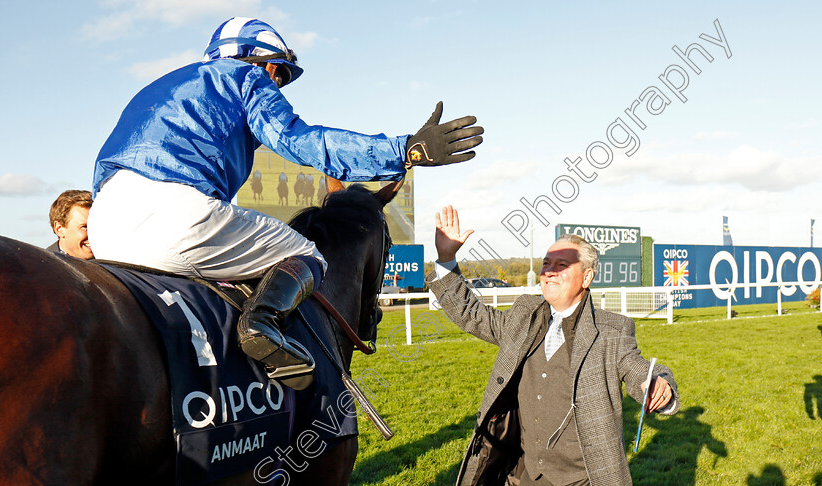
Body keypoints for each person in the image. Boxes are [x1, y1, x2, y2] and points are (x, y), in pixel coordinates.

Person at [88, 17, 483, 387]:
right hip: (176, 216)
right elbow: (301, 141)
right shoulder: (245, 77)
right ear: (266, 65)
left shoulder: (158, 87)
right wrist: (404, 149)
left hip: (104, 224)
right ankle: (261, 325)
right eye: (280, 75)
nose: (278, 86)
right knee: (308, 254)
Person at [428, 206, 679, 486]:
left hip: (583, 479)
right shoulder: (524, 315)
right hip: (522, 474)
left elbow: (639, 371)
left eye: (562, 266)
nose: (549, 272)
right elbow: (472, 315)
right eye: (547, 264)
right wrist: (447, 258)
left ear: (586, 277)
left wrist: (658, 385)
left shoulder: (612, 331)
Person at [47, 190, 94, 260]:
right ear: (59, 229)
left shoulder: (112, 266)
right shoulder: (39, 268)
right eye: (85, 227)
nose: (94, 234)